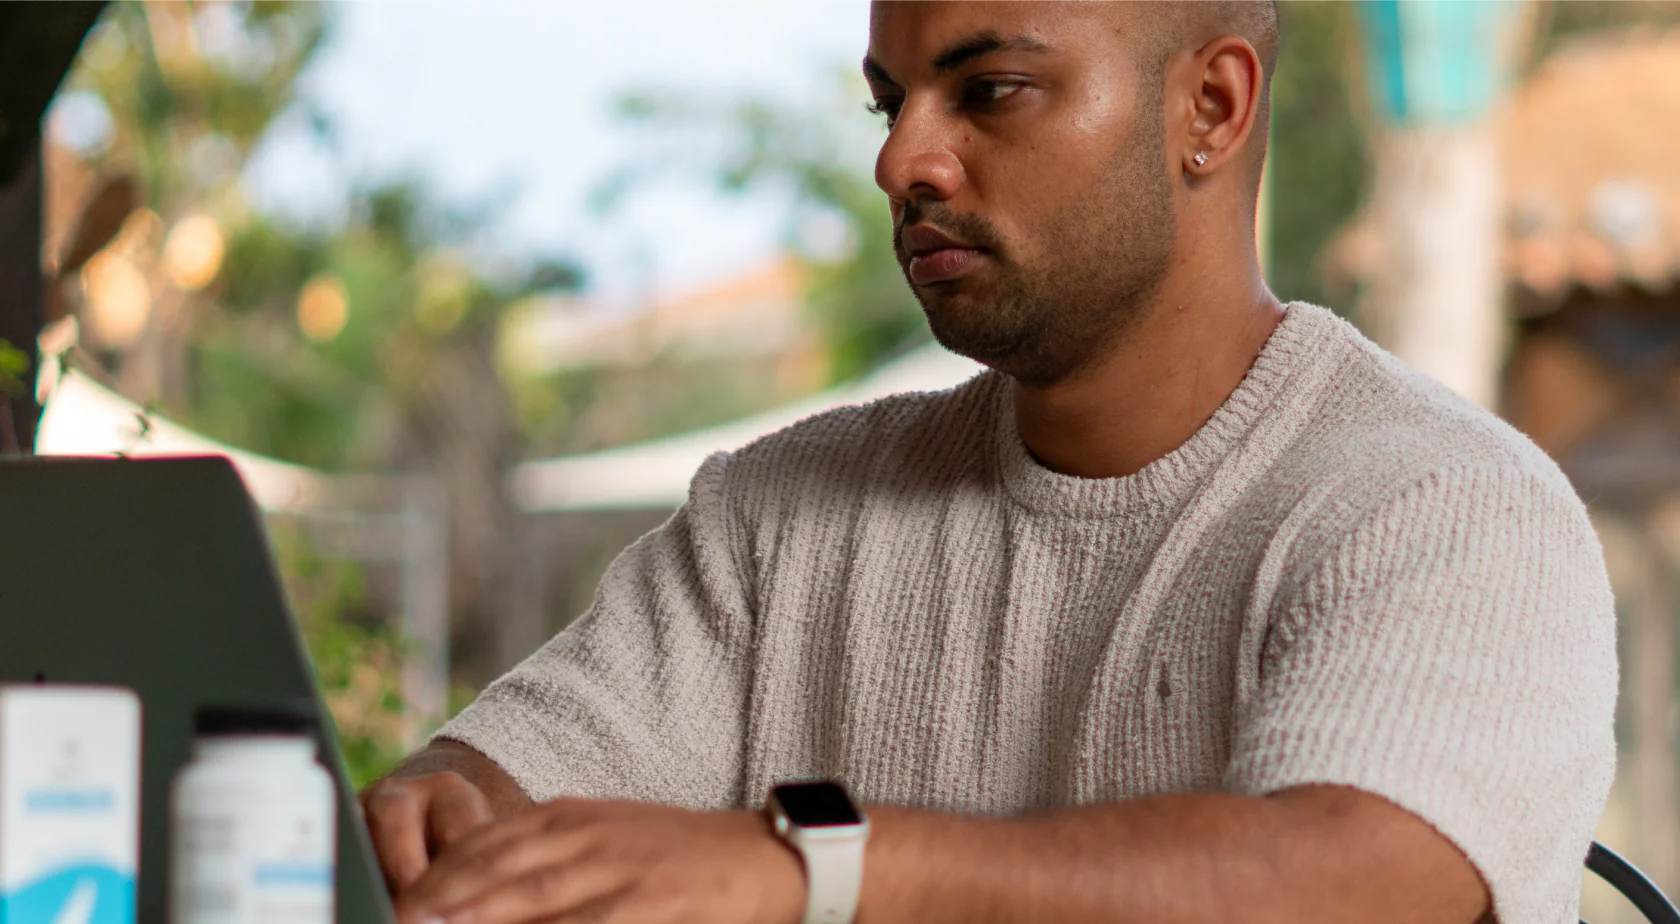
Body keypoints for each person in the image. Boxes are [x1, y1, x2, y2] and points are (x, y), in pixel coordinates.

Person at [362, 0, 1618, 921]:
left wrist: (806, 867)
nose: (900, 161)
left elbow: (1344, 883)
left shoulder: (1448, 506)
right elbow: (487, 786)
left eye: (993, 89)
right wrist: (439, 822)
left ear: (1211, 108)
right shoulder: (775, 516)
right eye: (889, 101)